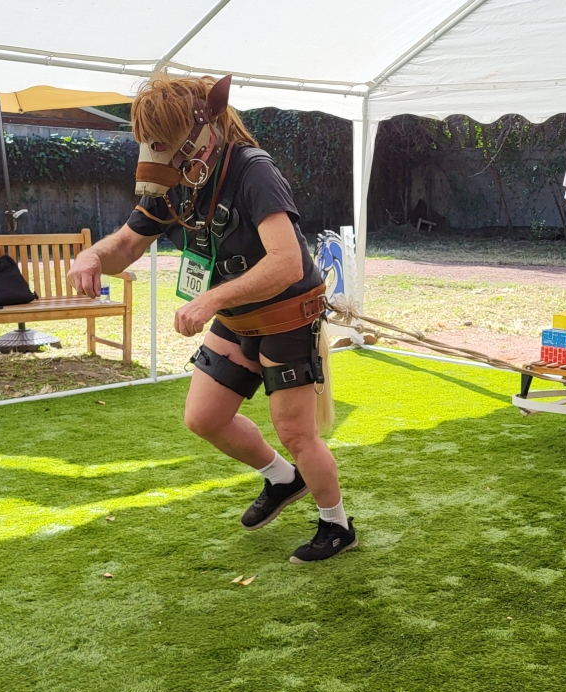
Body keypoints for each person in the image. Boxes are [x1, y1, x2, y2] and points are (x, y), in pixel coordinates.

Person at [67, 74, 357, 563]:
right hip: (236, 317)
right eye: (152, 145)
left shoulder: (253, 170)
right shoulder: (174, 178)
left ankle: (337, 525)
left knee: (295, 433)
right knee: (204, 418)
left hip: (287, 315)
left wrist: (209, 301)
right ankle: (283, 479)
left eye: (167, 144)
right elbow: (128, 244)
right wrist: (92, 255)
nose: (160, 158)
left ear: (207, 127)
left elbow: (287, 263)